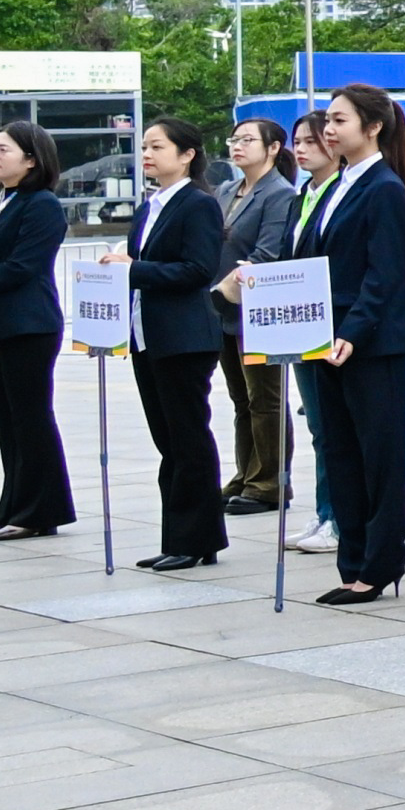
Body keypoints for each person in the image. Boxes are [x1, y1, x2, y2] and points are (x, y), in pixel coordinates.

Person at [271, 85, 405, 604]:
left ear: (373, 127)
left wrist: (352, 333)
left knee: (377, 456)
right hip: (324, 338)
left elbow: (385, 276)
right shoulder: (335, 184)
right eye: (327, 121)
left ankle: (379, 563)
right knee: (339, 450)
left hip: (369, 341)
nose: (328, 130)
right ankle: (352, 558)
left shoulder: (384, 187)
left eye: (339, 120)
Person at [118, 114, 232, 572]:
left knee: (187, 438)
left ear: (187, 155)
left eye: (157, 147)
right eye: (144, 147)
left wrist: (131, 269)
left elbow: (197, 270)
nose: (147, 154)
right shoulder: (150, 207)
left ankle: (196, 538)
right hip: (149, 336)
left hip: (185, 337)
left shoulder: (197, 204)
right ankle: (181, 537)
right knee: (169, 441)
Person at [0, 122, 74, 539]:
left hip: (29, 326)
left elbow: (20, 268)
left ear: (31, 159)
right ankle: (14, 506)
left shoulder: (41, 204)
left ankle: (39, 512)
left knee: (30, 417)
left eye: (3, 149)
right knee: (7, 419)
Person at [215, 117, 297, 512]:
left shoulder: (278, 193)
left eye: (248, 140)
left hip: (259, 307)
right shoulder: (228, 189)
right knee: (240, 399)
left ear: (273, 148)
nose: (237, 146)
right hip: (224, 306)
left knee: (265, 398)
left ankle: (270, 482)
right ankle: (245, 474)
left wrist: (228, 286)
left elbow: (267, 253)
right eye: (234, 140)